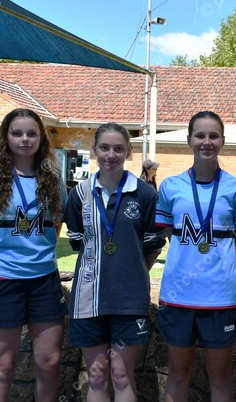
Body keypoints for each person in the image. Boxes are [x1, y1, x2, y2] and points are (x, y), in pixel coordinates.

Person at [0, 108, 67, 402]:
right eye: (17, 133)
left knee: (50, 362)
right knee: (2, 368)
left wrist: (39, 253)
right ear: (5, 137)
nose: (24, 139)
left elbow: (56, 226)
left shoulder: (54, 182)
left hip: (44, 282)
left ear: (41, 138)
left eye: (32, 133)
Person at [155, 110, 236, 401]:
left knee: (220, 375)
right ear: (189, 140)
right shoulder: (170, 186)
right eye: (200, 135)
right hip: (178, 295)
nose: (206, 142)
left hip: (220, 297)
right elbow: (169, 235)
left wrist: (222, 267)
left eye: (213, 136)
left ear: (223, 140)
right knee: (177, 373)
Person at [65, 122, 164, 401]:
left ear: (129, 152)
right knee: (96, 376)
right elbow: (78, 244)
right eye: (105, 148)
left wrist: (131, 272)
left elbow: (153, 246)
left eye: (119, 148)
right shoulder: (79, 194)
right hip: (88, 298)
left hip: (129, 300)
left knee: (122, 375)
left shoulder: (145, 194)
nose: (111, 155)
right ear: (94, 150)